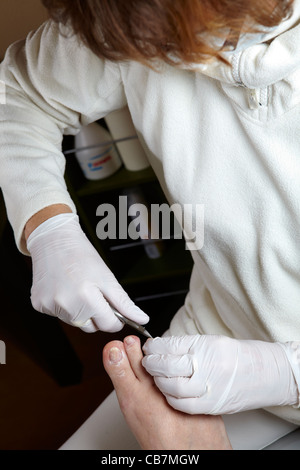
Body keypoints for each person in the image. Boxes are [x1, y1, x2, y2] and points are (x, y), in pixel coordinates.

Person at [1, 0, 300, 449]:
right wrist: (47, 225)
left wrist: (285, 375)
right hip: (212, 339)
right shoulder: (130, 14)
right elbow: (18, 95)